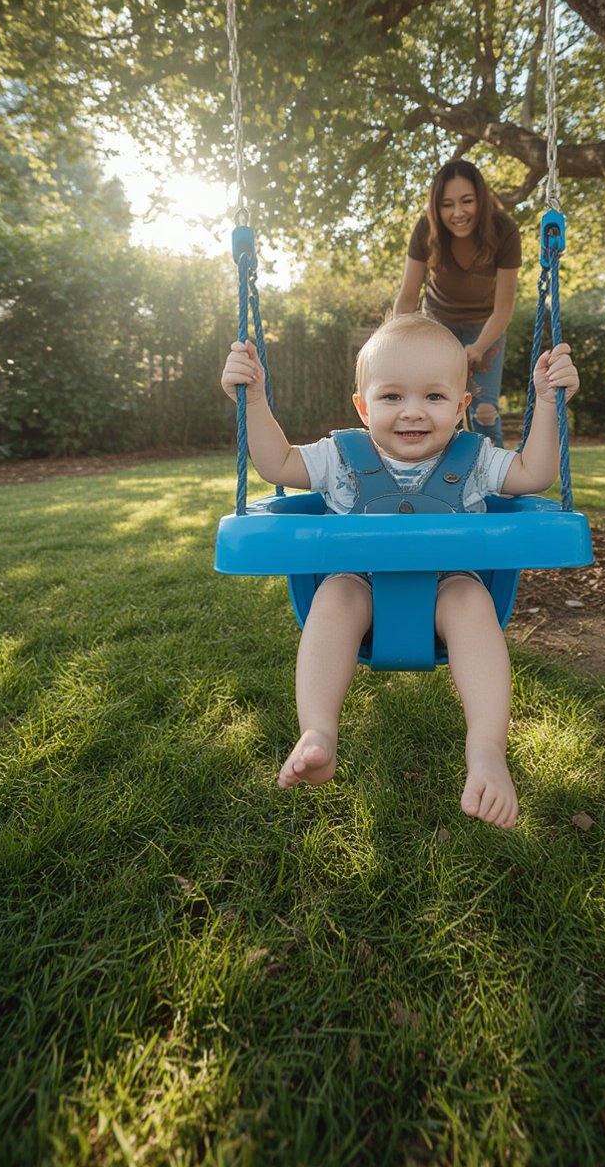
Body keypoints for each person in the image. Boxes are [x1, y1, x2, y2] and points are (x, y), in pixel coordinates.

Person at [221, 312, 579, 830]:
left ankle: (486, 750)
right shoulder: (338, 458)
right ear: (363, 407)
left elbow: (536, 473)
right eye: (392, 398)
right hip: (359, 587)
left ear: (460, 408)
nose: (413, 412)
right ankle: (318, 732)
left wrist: (548, 403)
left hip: (448, 588)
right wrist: (252, 400)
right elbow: (277, 464)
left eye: (434, 398)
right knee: (335, 595)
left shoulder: (475, 459)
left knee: (470, 600)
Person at [393, 159, 521, 447]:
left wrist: (477, 348)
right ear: (437, 207)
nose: (458, 213)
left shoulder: (504, 230)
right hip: (437, 325)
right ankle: (442, 484)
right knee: (436, 410)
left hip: (486, 327)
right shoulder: (426, 229)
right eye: (447, 204)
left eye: (467, 201)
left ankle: (493, 488)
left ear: (482, 200)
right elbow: (407, 297)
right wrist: (393, 344)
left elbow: (504, 310)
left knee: (485, 415)